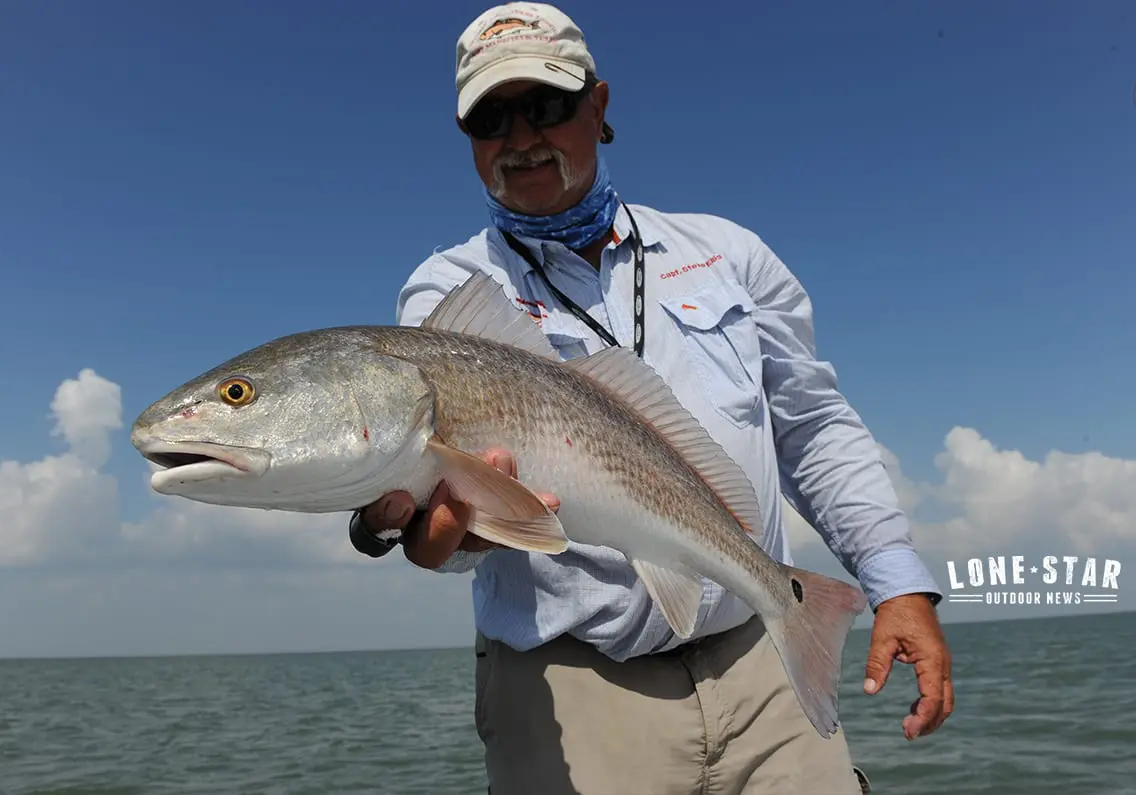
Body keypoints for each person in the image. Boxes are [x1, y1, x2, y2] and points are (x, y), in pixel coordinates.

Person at [349, 3, 954, 793]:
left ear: (598, 107)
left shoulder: (728, 253)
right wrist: (439, 535)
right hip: (572, 687)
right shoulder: (450, 293)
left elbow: (811, 425)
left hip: (759, 656)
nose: (521, 136)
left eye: (547, 105)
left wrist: (895, 579)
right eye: (490, 117)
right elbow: (446, 494)